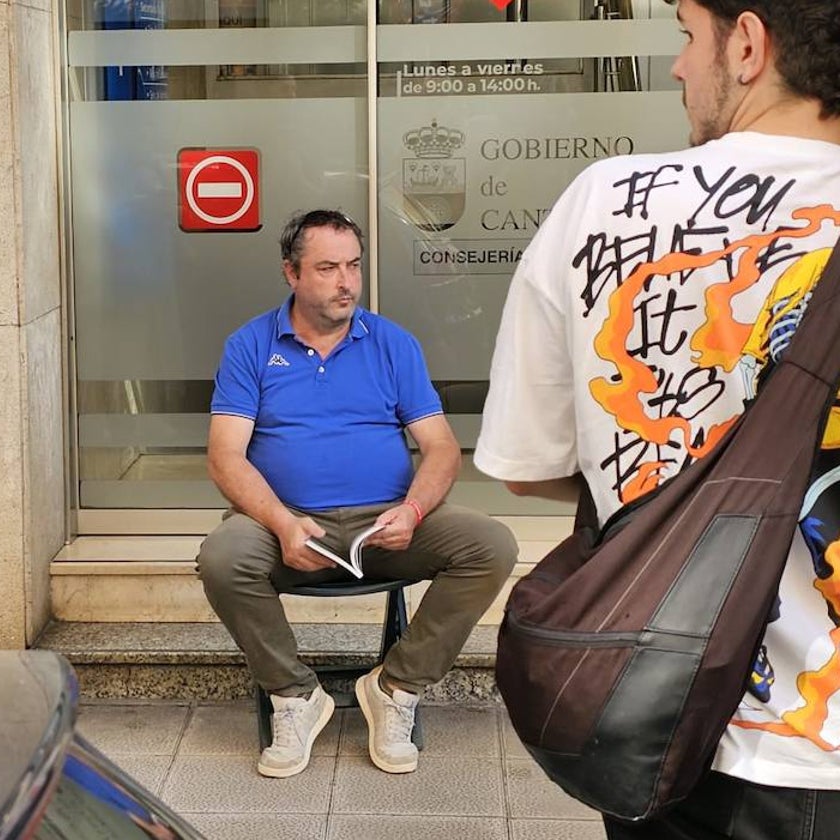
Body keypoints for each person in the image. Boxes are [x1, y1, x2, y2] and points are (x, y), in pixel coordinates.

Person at [475, 0, 840, 836]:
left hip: (677, 722)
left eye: (685, 33)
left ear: (748, 43)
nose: (677, 66)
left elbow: (525, 462)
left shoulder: (607, 201)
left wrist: (660, 462)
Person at [197, 208, 517, 778]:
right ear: (291, 274)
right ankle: (295, 695)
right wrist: (280, 522)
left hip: (385, 525)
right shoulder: (249, 346)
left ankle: (395, 686)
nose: (346, 282)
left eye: (353, 266)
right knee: (222, 556)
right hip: (289, 527)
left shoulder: (392, 343)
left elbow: (440, 448)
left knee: (489, 543)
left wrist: (414, 510)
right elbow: (225, 456)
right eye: (327, 268)